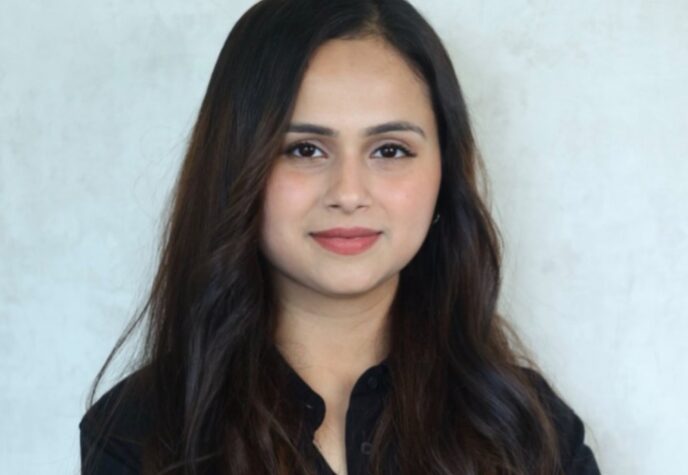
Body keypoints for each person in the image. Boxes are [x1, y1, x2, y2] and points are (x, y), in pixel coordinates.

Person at [79, 0, 602, 474]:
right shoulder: (138, 435)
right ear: (237, 167)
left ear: (445, 174)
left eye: (390, 150)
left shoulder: (533, 431)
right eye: (304, 150)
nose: (349, 193)